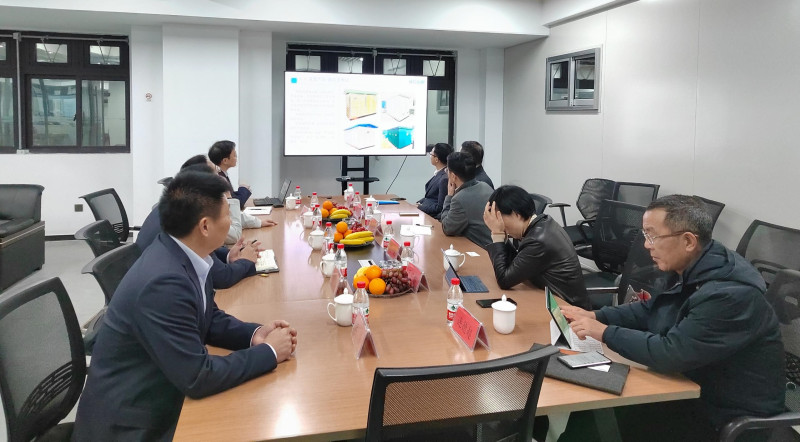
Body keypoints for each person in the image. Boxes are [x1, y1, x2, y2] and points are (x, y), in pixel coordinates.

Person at [73, 171, 298, 441]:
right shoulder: (164, 282)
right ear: (205, 226)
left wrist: (254, 334)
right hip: (133, 425)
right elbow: (198, 377)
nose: (231, 222)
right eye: (227, 214)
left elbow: (208, 317)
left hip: (160, 391)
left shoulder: (182, 254)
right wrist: (269, 352)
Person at [560, 195, 785, 441]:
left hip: (723, 417)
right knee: (590, 411)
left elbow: (671, 353)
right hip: (689, 386)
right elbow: (651, 309)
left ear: (688, 241)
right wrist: (596, 315)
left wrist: (602, 332)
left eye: (652, 236)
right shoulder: (700, 268)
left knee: (599, 418)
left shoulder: (729, 295)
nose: (646, 245)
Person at [137, 158, 260, 289]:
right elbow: (221, 277)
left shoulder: (181, 206)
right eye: (215, 174)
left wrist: (228, 255)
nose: (220, 178)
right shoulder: (188, 215)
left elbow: (206, 253)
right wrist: (246, 261)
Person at [482, 185, 590, 309]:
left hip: (567, 310)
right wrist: (502, 237)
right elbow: (516, 266)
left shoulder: (538, 240)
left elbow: (504, 280)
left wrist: (497, 235)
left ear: (516, 214)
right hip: (548, 297)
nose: (499, 224)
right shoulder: (542, 224)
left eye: (499, 219)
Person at [439, 151, 493, 248]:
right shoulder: (485, 186)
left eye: (447, 170)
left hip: (481, 249)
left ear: (453, 176)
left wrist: (449, 196)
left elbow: (447, 228)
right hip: (495, 245)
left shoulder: (459, 199)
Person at [208, 140, 252, 209]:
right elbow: (236, 204)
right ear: (225, 160)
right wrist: (243, 189)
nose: (236, 158)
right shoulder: (219, 179)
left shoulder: (221, 174)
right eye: (234, 155)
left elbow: (232, 196)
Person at [416, 142, 453, 219]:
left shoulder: (444, 179)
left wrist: (419, 207)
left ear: (436, 159)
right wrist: (418, 203)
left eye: (431, 154)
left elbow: (440, 207)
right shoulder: (439, 173)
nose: (430, 156)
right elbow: (429, 197)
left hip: (433, 218)